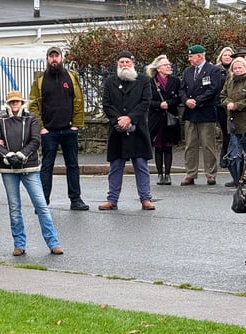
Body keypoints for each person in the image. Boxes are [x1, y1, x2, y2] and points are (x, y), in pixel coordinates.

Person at [0, 90, 63, 255]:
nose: (14, 104)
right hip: (8, 168)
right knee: (14, 208)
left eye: (17, 101)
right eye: (11, 102)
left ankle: (53, 242)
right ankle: (19, 244)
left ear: (22, 102)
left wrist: (21, 154)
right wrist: (8, 155)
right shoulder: (0, 120)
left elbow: (35, 140)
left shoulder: (31, 118)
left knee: (41, 205)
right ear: (8, 104)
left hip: (29, 167)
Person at [28, 46, 89, 210]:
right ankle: (43, 202)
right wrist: (41, 128)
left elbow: (78, 101)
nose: (54, 59)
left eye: (57, 56)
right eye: (51, 56)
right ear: (47, 59)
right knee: (47, 167)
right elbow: (33, 105)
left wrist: (76, 125)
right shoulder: (40, 80)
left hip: (69, 130)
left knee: (73, 165)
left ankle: (76, 200)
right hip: (49, 132)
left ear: (62, 58)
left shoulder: (71, 76)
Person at [99, 51, 155, 211]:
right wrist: (119, 119)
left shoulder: (144, 81)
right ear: (117, 64)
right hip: (117, 130)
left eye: (127, 62)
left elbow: (145, 102)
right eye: (121, 62)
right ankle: (112, 199)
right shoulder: (110, 82)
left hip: (138, 130)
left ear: (133, 63)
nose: (124, 65)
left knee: (141, 165)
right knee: (116, 166)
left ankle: (146, 199)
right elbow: (106, 104)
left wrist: (129, 118)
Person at [179, 44, 222, 186]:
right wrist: (186, 100)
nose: (189, 59)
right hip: (191, 113)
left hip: (206, 111)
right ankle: (190, 173)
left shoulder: (213, 70)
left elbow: (213, 89)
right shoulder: (188, 71)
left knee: (208, 144)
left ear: (200, 56)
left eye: (191, 56)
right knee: (190, 145)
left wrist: (197, 101)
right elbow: (182, 89)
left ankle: (210, 174)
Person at [146, 55, 181, 186]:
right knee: (158, 147)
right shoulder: (150, 82)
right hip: (156, 117)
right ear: (158, 68)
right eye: (165, 65)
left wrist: (169, 103)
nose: (168, 67)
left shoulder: (175, 81)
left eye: (169, 64)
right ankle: (159, 174)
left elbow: (179, 97)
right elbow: (147, 100)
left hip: (170, 116)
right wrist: (159, 105)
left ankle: (168, 174)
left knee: (168, 146)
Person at [220, 56, 246, 187]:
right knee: (234, 152)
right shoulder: (229, 81)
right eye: (235, 68)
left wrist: (236, 105)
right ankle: (237, 178)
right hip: (232, 122)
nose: (238, 70)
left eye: (240, 67)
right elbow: (223, 95)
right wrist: (228, 103)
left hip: (244, 121)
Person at [215, 47, 234, 169]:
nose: (227, 57)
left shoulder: (238, 68)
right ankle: (224, 157)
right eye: (225, 55)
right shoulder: (216, 70)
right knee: (226, 132)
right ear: (221, 57)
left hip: (236, 107)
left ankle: (232, 157)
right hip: (221, 106)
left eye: (229, 55)